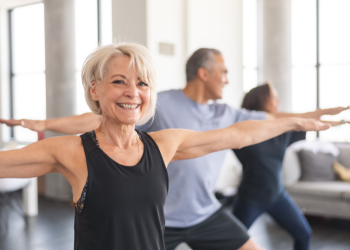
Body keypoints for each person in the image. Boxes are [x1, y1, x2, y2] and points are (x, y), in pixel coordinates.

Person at [0, 48, 345, 250]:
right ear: (95, 90)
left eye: (142, 83)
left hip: (203, 213)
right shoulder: (74, 152)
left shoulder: (164, 143)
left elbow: (238, 134)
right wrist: (45, 124)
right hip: (171, 218)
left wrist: (295, 122)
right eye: (119, 81)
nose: (132, 91)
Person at [232, 83, 349, 250]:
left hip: (278, 197)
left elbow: (311, 122)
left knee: (304, 234)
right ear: (260, 100)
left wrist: (343, 121)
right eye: (273, 97)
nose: (278, 101)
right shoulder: (244, 132)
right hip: (250, 199)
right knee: (230, 241)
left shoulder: (283, 131)